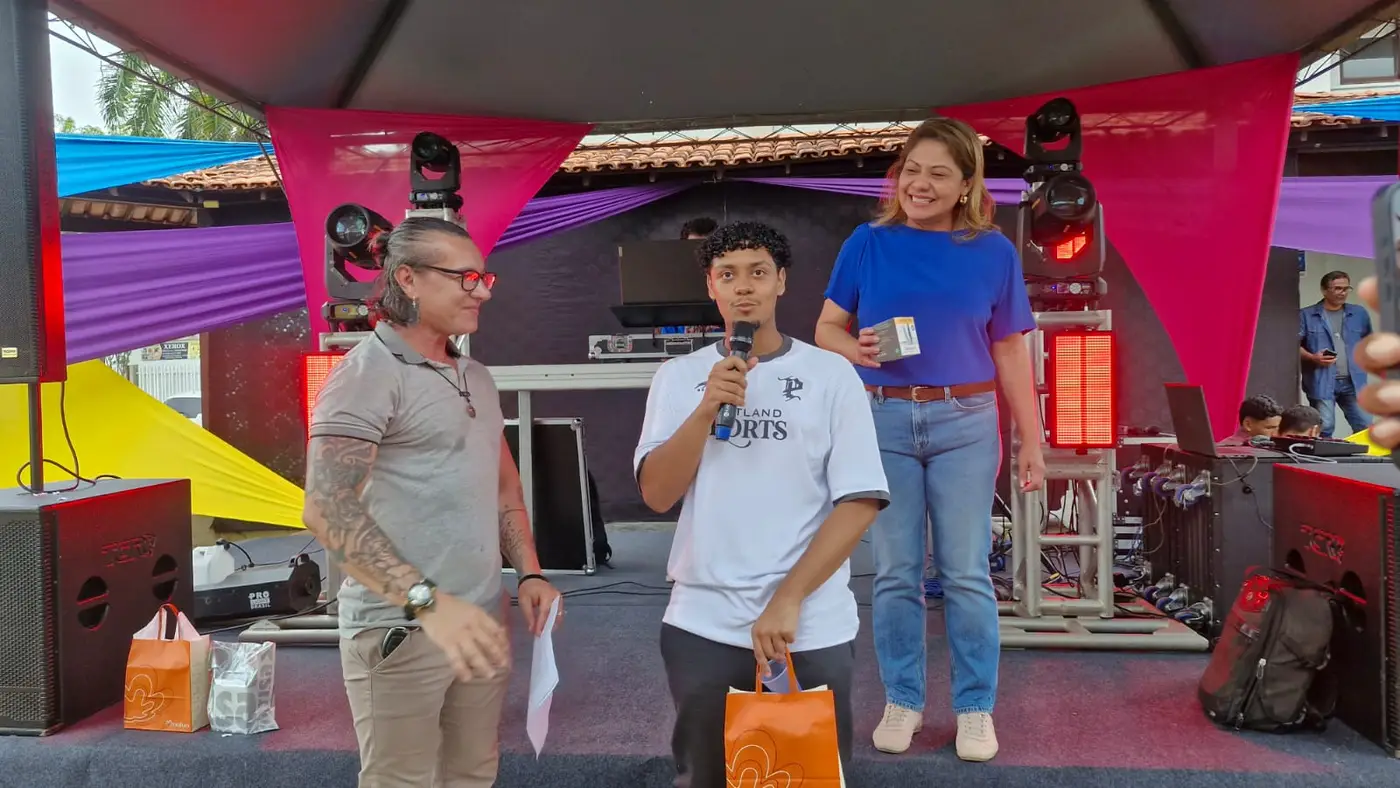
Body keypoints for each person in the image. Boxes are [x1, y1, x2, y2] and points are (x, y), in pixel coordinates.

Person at [302, 216, 562, 788]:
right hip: (400, 628)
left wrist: (530, 572)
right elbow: (327, 509)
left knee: (472, 774)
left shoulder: (476, 375)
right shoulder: (365, 374)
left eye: (483, 277)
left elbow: (503, 487)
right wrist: (427, 602)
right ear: (409, 279)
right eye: (464, 277)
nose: (482, 291)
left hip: (478, 622)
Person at [814, 117, 1044, 762]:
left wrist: (1031, 440)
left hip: (967, 420)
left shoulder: (993, 252)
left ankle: (974, 708)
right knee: (896, 573)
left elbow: (1009, 349)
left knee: (966, 572)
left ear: (966, 183)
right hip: (882, 419)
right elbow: (828, 328)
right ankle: (903, 699)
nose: (920, 184)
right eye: (911, 170)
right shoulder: (867, 242)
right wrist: (856, 348)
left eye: (939, 173)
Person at [635, 221, 889, 788]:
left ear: (781, 282)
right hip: (704, 621)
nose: (743, 286)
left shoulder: (830, 374)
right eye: (727, 275)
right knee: (708, 775)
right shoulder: (678, 377)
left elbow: (859, 501)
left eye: (758, 272)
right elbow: (657, 493)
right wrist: (706, 409)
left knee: (805, 777)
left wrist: (788, 598)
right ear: (711, 287)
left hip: (806, 623)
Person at [1300, 271, 1373, 438]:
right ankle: (1326, 456)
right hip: (1321, 380)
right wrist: (1313, 357)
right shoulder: (1306, 315)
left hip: (1354, 382)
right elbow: (1293, 345)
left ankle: (1362, 456)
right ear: (1324, 290)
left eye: (1346, 288)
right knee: (1325, 427)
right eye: (1338, 288)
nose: (1343, 293)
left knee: (1365, 426)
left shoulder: (1359, 313)